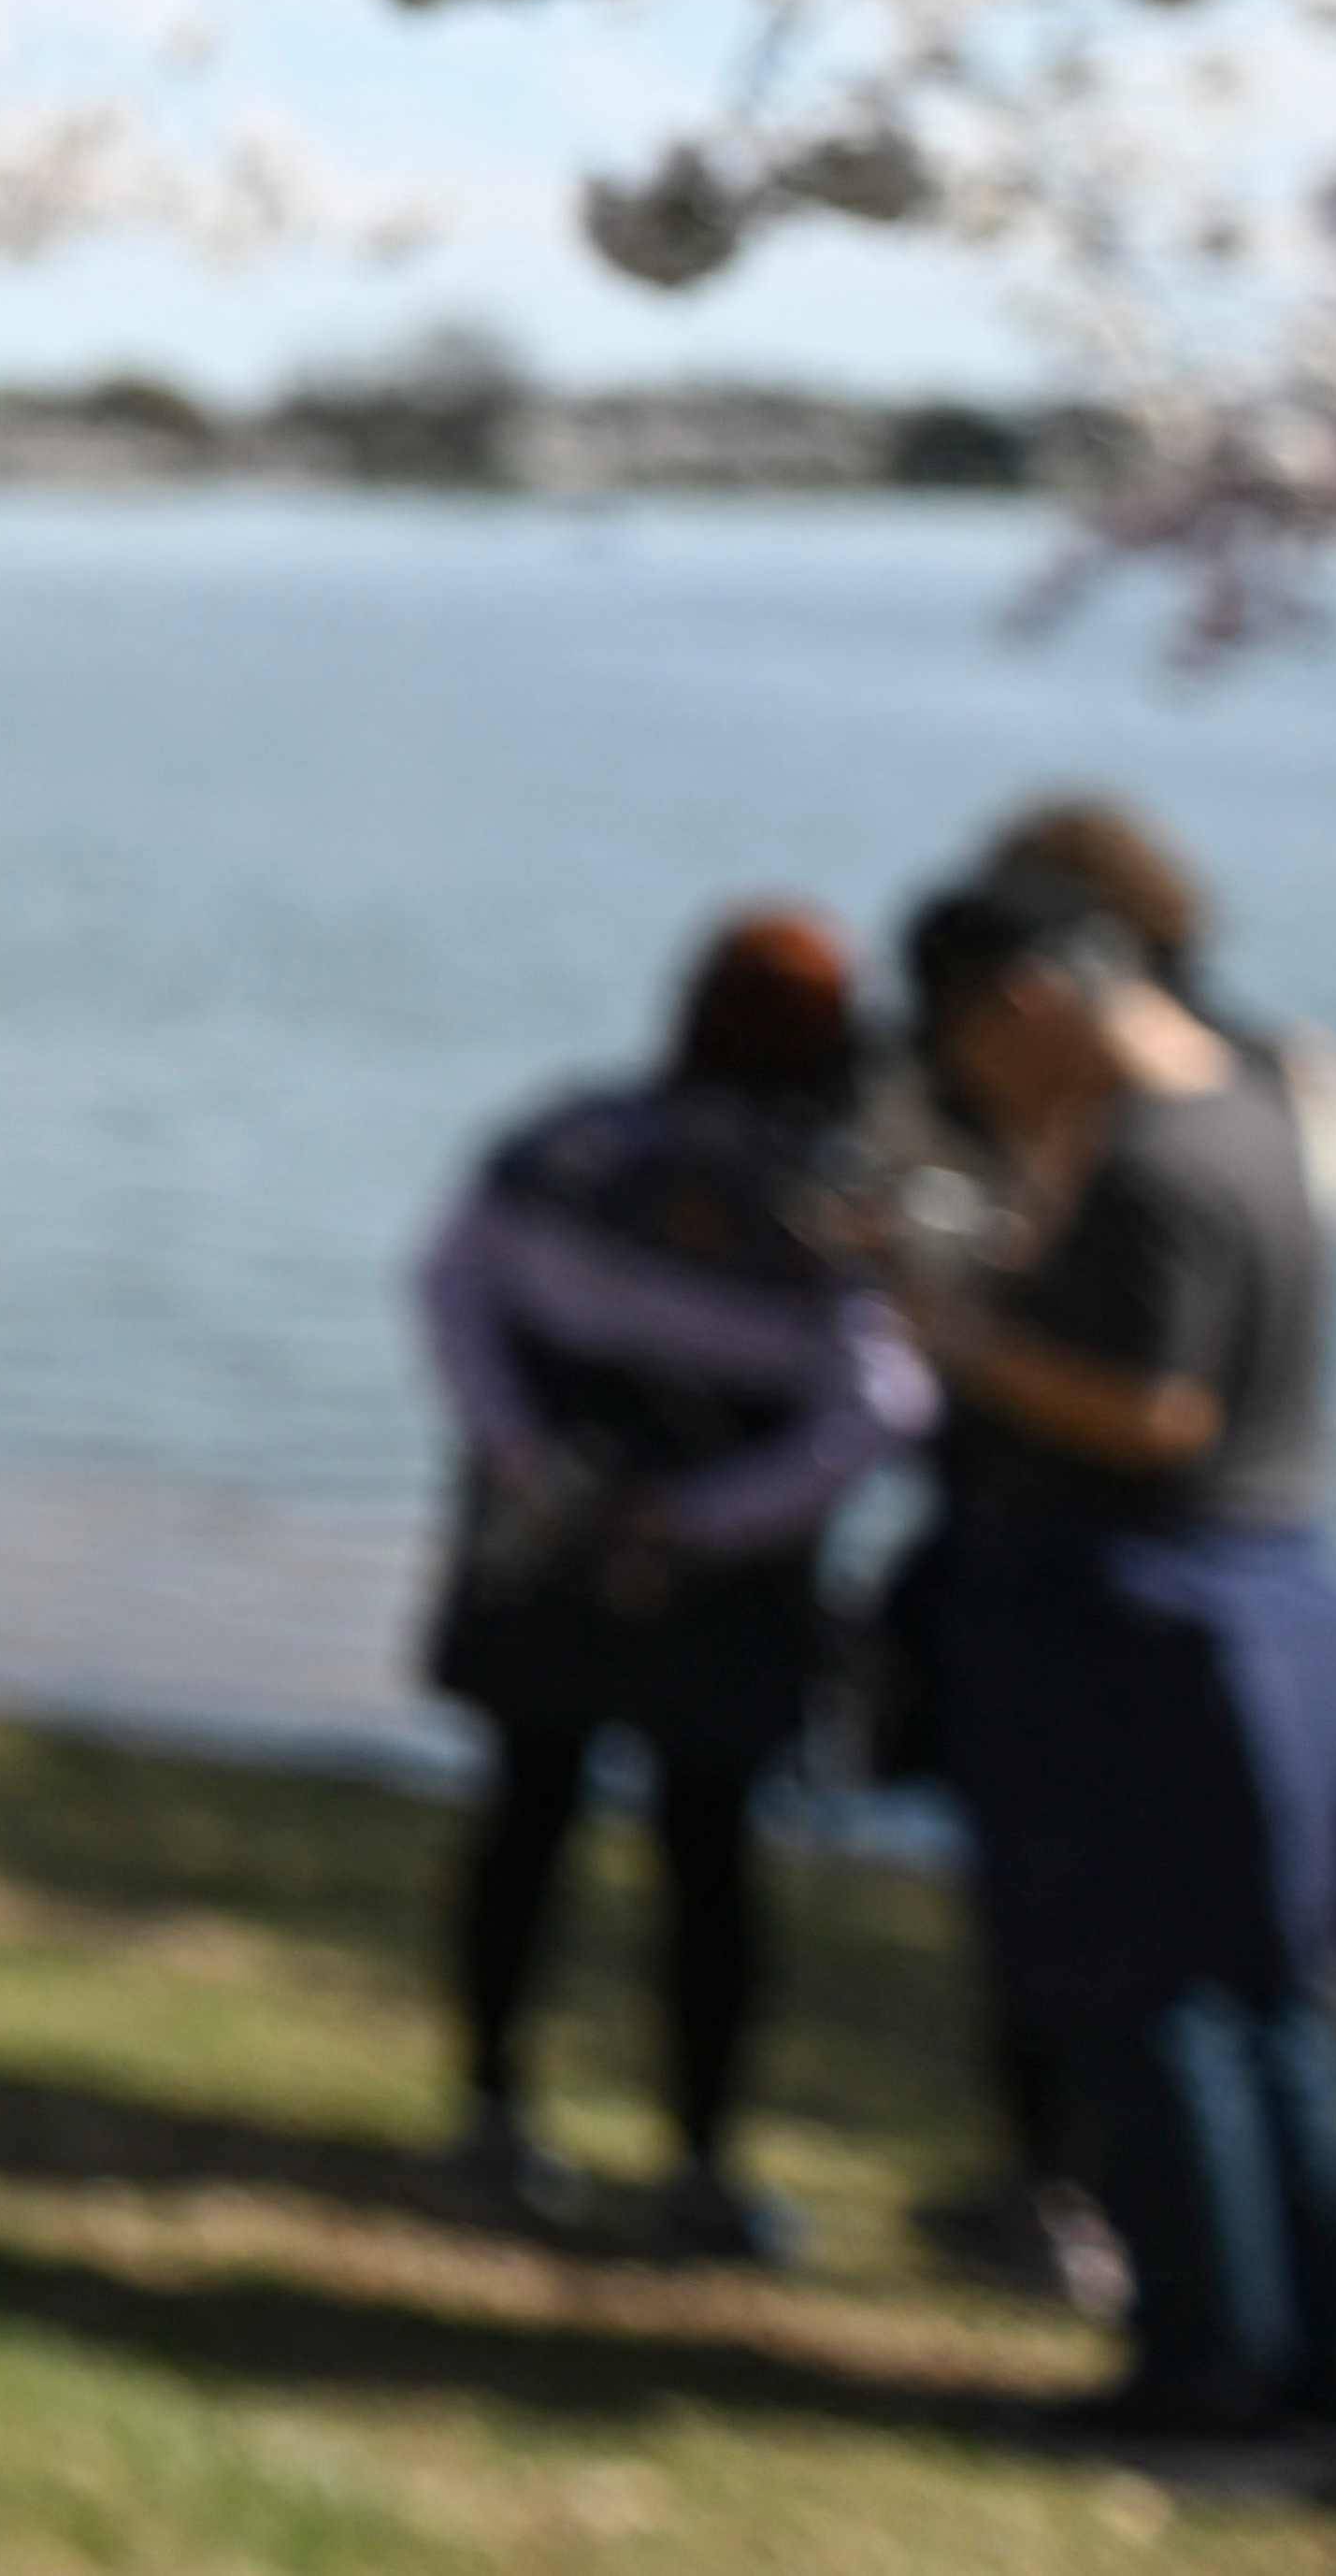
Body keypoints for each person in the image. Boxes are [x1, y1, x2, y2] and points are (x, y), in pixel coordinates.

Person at [893, 865, 1336, 2489]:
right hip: (1281, 1601)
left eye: (961, 1037)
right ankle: (1309, 2378)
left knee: (1158, 2008)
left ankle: (1207, 2383)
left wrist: (950, 1327)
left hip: (1155, 1615)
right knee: (1273, 2007)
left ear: (1024, 997)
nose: (965, 1078)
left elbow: (1156, 1408)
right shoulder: (1263, 1105)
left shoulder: (1149, 1159)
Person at [409, 909, 933, 2257]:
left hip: (551, 1542)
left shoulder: (576, 1141)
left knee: (526, 1820)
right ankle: (694, 2161)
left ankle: (489, 2114)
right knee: (704, 1860)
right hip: (718, 1577)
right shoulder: (836, 1195)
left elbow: (447, 1285)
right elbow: (877, 1405)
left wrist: (525, 1465)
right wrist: (707, 1522)